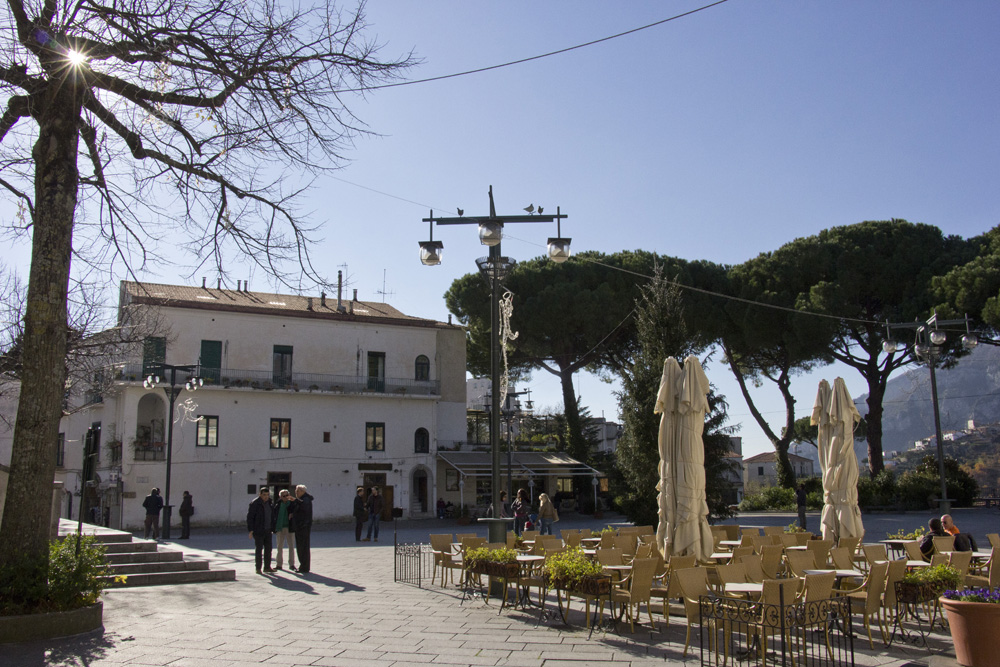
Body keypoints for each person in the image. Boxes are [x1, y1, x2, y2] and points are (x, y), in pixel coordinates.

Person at [246, 487, 275, 574]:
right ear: (260, 494)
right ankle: (258, 568)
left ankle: (267, 567)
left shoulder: (270, 503)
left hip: (268, 530)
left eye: (267, 495)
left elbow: (272, 516)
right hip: (258, 530)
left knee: (268, 549)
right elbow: (250, 517)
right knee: (259, 549)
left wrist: (273, 528)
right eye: (264, 495)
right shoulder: (255, 503)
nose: (266, 497)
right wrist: (251, 530)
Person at [290, 484, 313, 574]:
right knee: (301, 547)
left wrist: (296, 501)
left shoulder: (305, 499)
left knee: (303, 547)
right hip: (301, 526)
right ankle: (303, 566)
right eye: (296, 491)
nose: (296, 493)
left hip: (303, 526)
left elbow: (304, 508)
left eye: (298, 491)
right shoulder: (302, 499)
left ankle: (304, 566)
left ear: (303, 491)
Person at [274, 489, 296, 571]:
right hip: (280, 527)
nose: (286, 497)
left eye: (287, 495)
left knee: (291, 547)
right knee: (279, 547)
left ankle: (292, 564)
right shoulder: (277, 504)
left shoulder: (292, 504)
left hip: (289, 527)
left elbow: (297, 511)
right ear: (280, 497)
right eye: (284, 496)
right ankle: (279, 564)